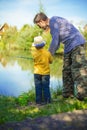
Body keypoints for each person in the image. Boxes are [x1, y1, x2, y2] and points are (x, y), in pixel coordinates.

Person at [33, 12, 87, 101]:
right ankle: (67, 95)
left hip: (76, 43)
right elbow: (56, 43)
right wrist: (49, 55)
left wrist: (48, 55)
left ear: (42, 21)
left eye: (39, 25)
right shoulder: (53, 26)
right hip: (68, 46)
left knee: (77, 69)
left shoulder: (54, 21)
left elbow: (55, 40)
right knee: (66, 71)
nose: (40, 27)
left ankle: (82, 96)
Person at [31, 36, 53, 105]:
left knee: (38, 87)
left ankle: (38, 102)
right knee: (46, 87)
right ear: (43, 44)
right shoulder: (47, 53)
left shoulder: (34, 53)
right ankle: (47, 101)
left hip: (37, 73)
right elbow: (51, 61)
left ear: (35, 46)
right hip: (45, 73)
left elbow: (34, 59)